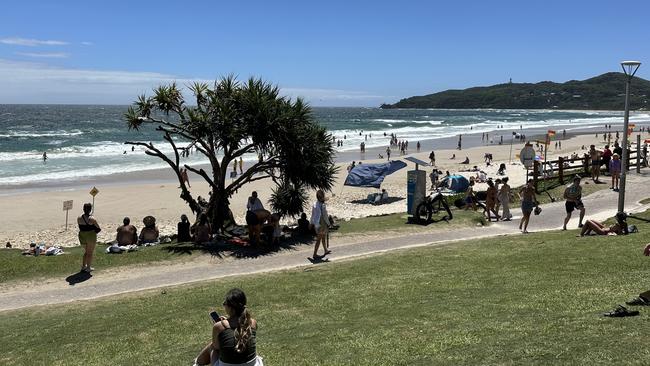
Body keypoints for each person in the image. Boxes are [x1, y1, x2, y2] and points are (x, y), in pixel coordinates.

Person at [194, 288, 263, 366]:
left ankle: (197, 363)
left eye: (225, 303)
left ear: (231, 307)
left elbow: (217, 347)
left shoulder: (219, 326)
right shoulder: (252, 322)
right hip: (252, 364)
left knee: (212, 347)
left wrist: (222, 324)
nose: (223, 305)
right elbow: (238, 330)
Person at [77, 203, 100, 272]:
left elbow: (80, 227)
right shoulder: (92, 219)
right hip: (90, 236)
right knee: (90, 253)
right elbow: (98, 229)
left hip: (82, 236)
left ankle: (84, 266)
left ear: (83, 209)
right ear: (90, 210)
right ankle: (88, 267)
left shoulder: (79, 218)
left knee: (86, 252)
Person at [310, 189, 330, 259]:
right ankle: (315, 254)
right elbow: (325, 215)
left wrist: (311, 223)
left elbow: (312, 215)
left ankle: (325, 250)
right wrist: (328, 223)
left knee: (323, 237)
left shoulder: (315, 204)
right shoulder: (322, 205)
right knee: (319, 239)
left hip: (317, 223)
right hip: (322, 223)